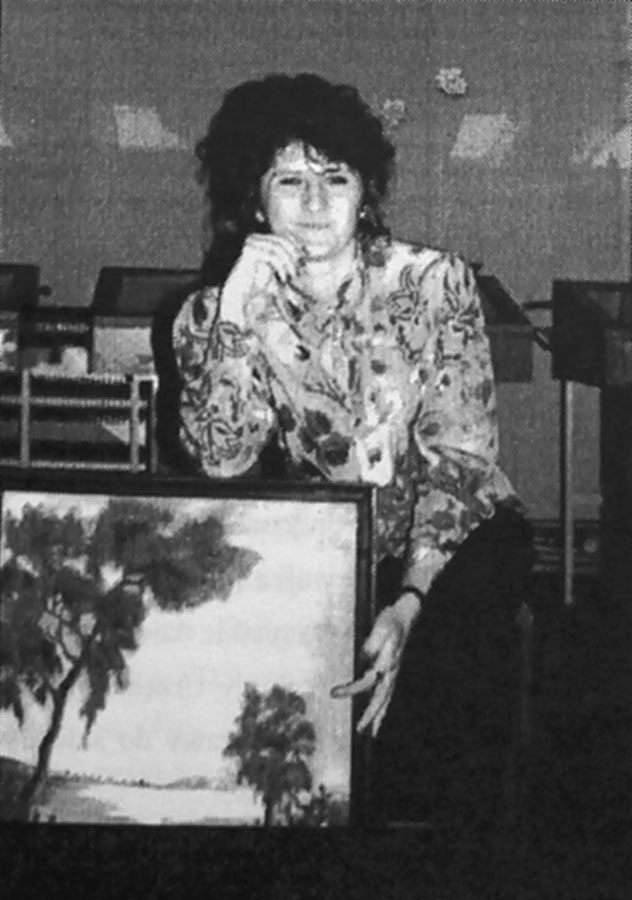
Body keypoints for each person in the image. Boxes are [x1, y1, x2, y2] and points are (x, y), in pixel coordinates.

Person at [157, 73, 533, 841]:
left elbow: (461, 454)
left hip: (454, 534)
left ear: (366, 190)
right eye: (289, 181)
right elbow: (222, 461)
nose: (315, 202)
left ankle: (442, 841)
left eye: (335, 177)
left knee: (447, 638)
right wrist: (236, 316)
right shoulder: (210, 312)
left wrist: (409, 599)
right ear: (254, 200)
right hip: (330, 536)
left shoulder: (434, 283)